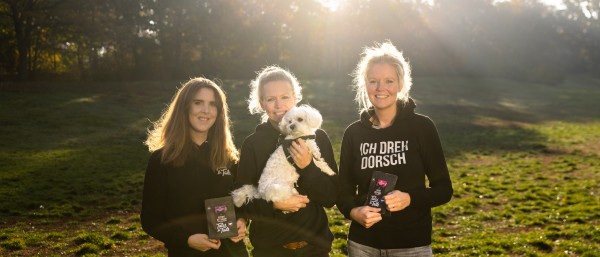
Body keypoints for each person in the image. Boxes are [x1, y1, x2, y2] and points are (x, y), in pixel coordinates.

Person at [336, 41, 453, 257]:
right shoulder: (354, 133)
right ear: (365, 85)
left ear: (400, 84)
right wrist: (354, 212)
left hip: (411, 245)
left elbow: (444, 189)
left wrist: (410, 198)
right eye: (373, 81)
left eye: (389, 81)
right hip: (363, 245)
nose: (381, 88)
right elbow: (342, 192)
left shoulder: (422, 128)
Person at [233, 66, 338, 257]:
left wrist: (308, 168)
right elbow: (242, 201)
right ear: (261, 103)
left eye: (285, 97)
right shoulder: (252, 144)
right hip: (270, 250)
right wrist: (274, 204)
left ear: (296, 97)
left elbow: (331, 198)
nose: (279, 105)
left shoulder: (317, 138)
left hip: (315, 249)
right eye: (271, 99)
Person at [141, 77, 249, 257]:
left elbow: (242, 202)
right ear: (184, 107)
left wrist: (243, 220)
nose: (206, 111)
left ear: (219, 112)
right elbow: (151, 221)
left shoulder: (228, 157)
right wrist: (187, 239)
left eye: (213, 104)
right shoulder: (162, 159)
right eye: (198, 102)